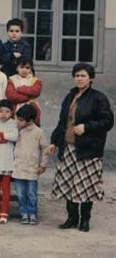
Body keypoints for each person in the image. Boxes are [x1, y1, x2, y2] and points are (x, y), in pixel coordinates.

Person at [49, 63, 114, 232]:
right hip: (69, 147)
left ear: (90, 78)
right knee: (69, 183)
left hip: (88, 148)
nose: (79, 79)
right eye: (77, 75)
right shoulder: (70, 96)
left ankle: (85, 220)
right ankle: (72, 218)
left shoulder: (98, 98)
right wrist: (54, 141)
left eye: (83, 76)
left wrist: (87, 127)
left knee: (86, 185)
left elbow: (108, 121)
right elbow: (62, 122)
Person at [13, 104, 49, 225]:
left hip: (32, 169)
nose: (18, 122)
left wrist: (43, 164)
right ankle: (23, 213)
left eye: (21, 120)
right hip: (18, 169)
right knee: (20, 194)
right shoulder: (16, 130)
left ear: (30, 121)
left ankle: (32, 214)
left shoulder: (38, 132)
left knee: (31, 194)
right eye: (17, 119)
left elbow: (45, 148)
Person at [6, 57, 42, 126]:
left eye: (27, 68)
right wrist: (28, 96)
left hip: (32, 108)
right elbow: (11, 95)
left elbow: (36, 91)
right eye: (22, 67)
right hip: (16, 108)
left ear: (30, 69)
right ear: (17, 68)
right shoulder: (12, 79)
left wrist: (20, 89)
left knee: (31, 129)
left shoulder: (35, 80)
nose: (24, 70)